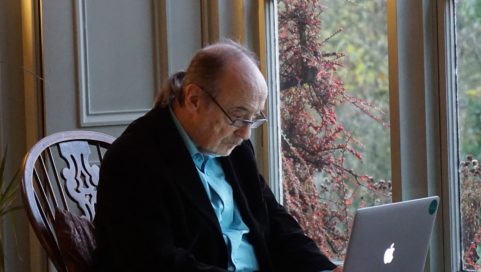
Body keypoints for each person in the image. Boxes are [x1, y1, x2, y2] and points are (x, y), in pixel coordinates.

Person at [93, 40, 337, 272]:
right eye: (237, 116)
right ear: (194, 100)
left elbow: (273, 221)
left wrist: (325, 268)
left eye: (253, 118)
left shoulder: (235, 148)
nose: (245, 133)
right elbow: (156, 263)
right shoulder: (132, 160)